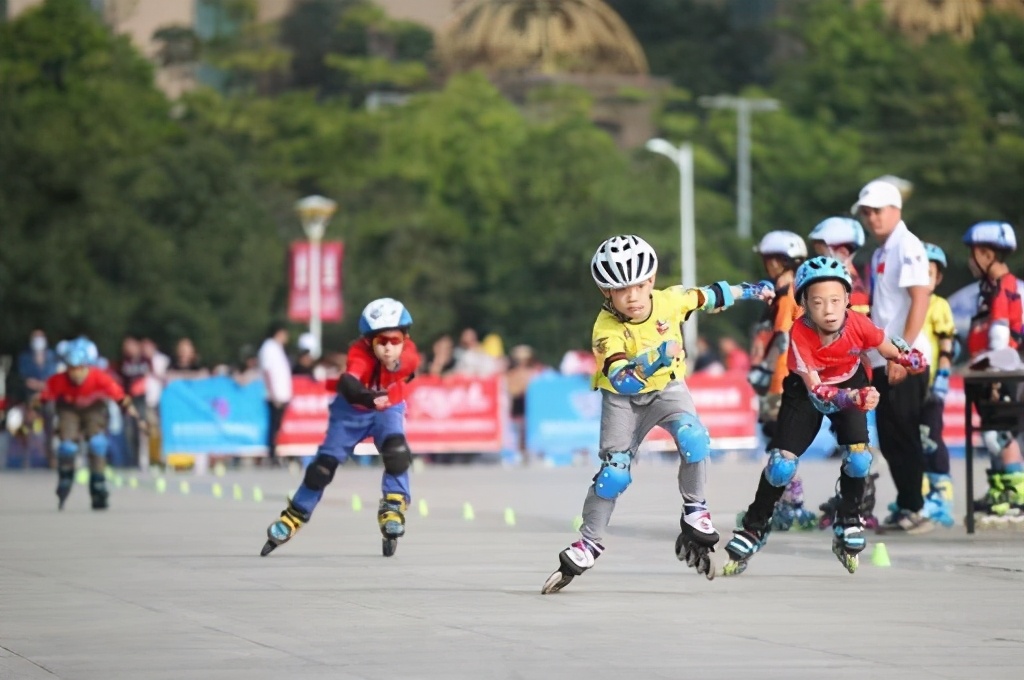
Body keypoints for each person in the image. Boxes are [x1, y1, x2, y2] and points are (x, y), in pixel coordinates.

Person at [541, 234, 775, 593]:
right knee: (613, 475)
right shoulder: (606, 329)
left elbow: (709, 296)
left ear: (651, 281)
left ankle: (695, 508)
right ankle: (589, 542)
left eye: (639, 285)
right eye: (621, 290)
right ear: (607, 293)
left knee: (694, 437)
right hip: (623, 400)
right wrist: (655, 357)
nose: (633, 296)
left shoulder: (670, 300)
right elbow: (625, 380)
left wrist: (752, 289)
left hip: (668, 391)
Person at [722, 257, 928, 576]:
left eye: (835, 301)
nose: (829, 311)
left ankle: (848, 517)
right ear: (804, 304)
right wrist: (855, 398)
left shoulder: (859, 324)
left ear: (848, 300)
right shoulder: (800, 334)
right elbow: (818, 394)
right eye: (818, 303)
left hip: (851, 380)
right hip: (807, 392)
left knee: (859, 459)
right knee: (781, 464)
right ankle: (754, 525)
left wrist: (909, 359)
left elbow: (889, 348)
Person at [261, 298, 420, 558]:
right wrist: (369, 397)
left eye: (395, 341)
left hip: (387, 409)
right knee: (322, 468)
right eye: (381, 342)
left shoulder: (410, 354)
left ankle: (394, 504)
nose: (389, 349)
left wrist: (392, 378)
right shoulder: (358, 353)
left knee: (397, 452)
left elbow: (405, 368)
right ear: (369, 342)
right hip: (351, 412)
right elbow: (349, 383)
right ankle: (296, 513)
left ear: (405, 337)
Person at [856, 179, 934, 533]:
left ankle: (915, 509)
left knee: (903, 434)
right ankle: (906, 505)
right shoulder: (880, 252)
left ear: (895, 210)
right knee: (890, 436)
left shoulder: (908, 245)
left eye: (877, 211)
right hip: (883, 358)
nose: (872, 219)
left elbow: (921, 298)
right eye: (867, 213)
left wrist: (902, 352)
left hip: (905, 358)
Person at [747, 230, 816, 531]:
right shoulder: (784, 291)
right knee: (776, 439)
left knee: (780, 441)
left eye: (767, 259)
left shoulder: (787, 295)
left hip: (782, 378)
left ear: (777, 260)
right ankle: (789, 502)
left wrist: (777, 382)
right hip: (778, 376)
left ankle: (792, 505)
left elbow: (786, 341)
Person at [36, 337, 143, 510]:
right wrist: (33, 409)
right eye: (72, 369)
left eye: (80, 369)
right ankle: (66, 474)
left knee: (97, 443)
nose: (76, 374)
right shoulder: (59, 380)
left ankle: (98, 482)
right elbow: (42, 398)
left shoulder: (99, 377)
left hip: (94, 409)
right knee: (67, 447)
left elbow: (120, 396)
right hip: (68, 409)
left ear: (86, 366)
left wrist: (133, 413)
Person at [962, 221, 1023, 521]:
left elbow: (1000, 333)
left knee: (999, 435)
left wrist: (995, 376)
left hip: (998, 374)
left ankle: (1016, 496)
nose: (969, 261)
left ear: (986, 254)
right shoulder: (994, 288)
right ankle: (1001, 491)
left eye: (973, 254)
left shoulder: (1003, 288)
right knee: (992, 434)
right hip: (989, 373)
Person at [916, 244, 957, 527]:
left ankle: (941, 496)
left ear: (938, 278)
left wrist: (943, 376)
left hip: (931, 385)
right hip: (909, 384)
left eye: (929, 273)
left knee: (931, 438)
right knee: (911, 442)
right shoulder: (907, 303)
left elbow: (946, 343)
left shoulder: (938, 304)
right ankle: (918, 498)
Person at [808, 217, 871, 316]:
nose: (819, 259)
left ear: (843, 251)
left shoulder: (854, 290)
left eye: (822, 253)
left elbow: (858, 328)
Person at [258, 323, 292, 466]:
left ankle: (274, 451)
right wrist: (273, 393)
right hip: (275, 394)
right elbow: (267, 371)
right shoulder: (269, 348)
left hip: (281, 394)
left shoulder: (277, 348)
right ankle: (271, 453)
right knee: (273, 425)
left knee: (277, 425)